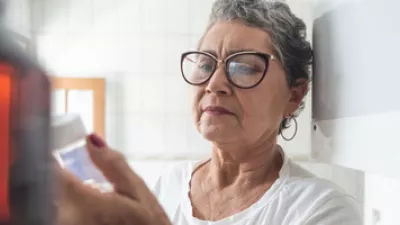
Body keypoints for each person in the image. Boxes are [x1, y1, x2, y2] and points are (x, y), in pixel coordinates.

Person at [56, 0, 363, 224]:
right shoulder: (170, 184)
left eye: (243, 67)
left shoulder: (321, 210)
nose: (214, 84)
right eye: (205, 64)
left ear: (293, 96)